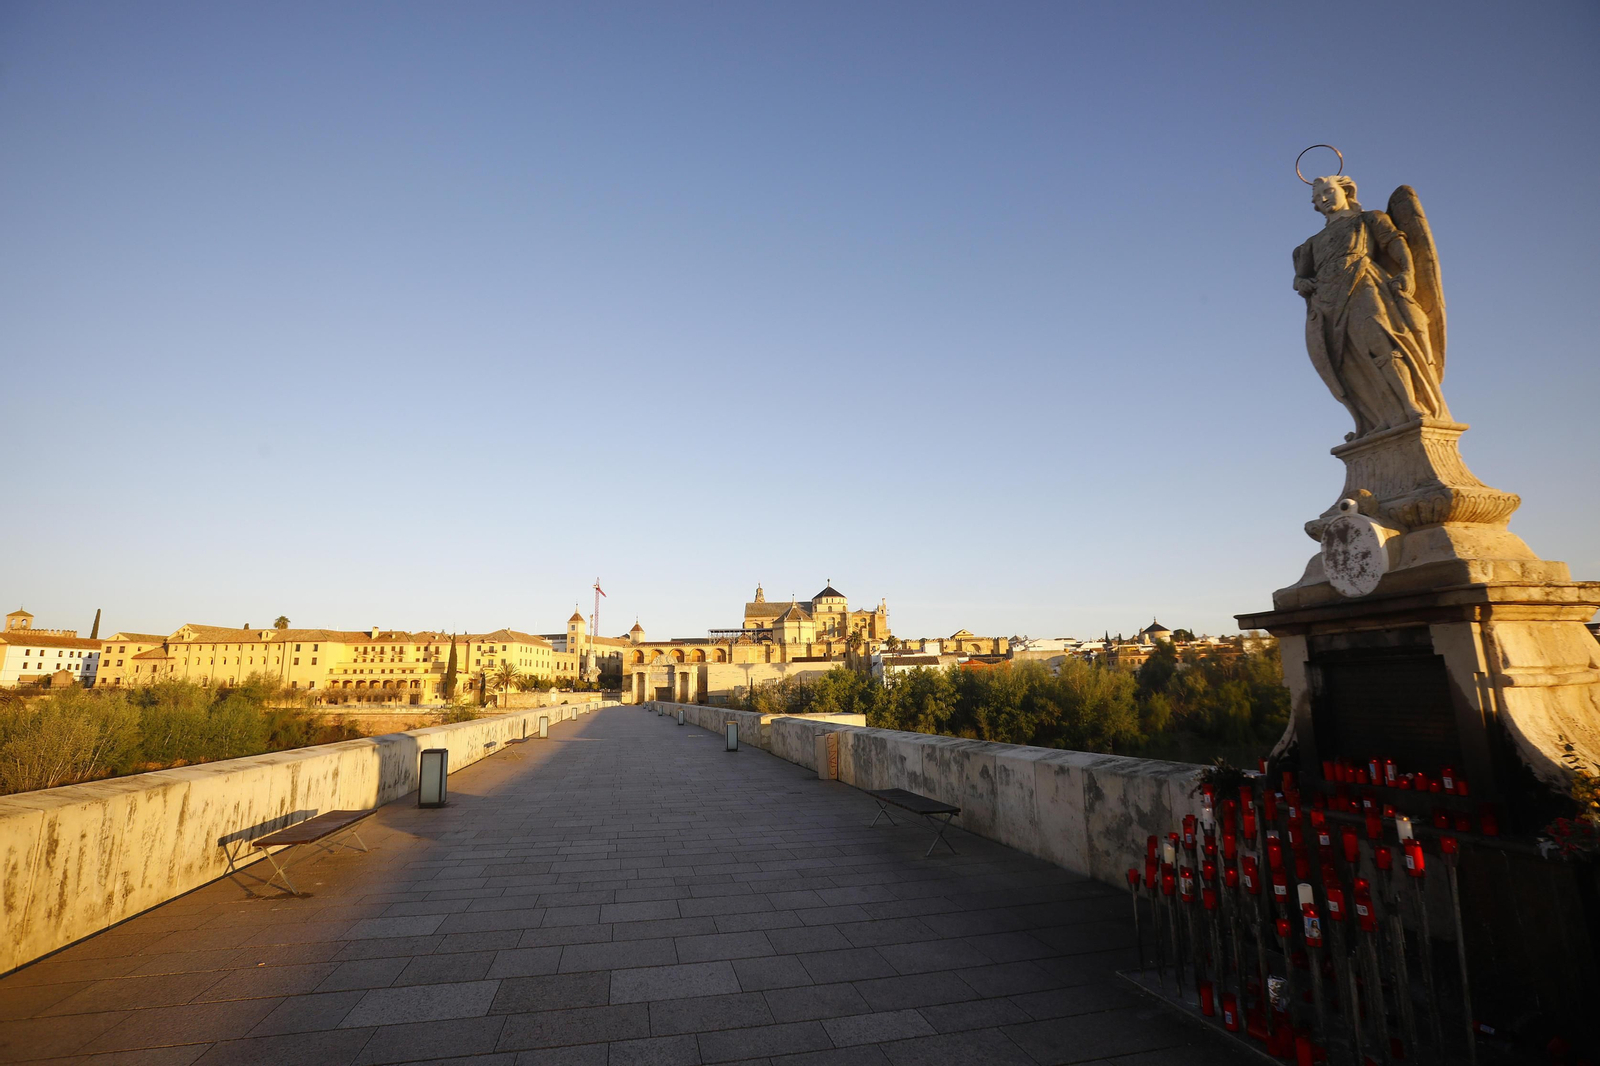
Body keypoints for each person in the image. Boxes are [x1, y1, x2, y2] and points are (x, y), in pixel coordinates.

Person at [1293, 175, 1449, 439]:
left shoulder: (1368, 220)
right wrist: (1303, 283)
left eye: (1328, 191)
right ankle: (1379, 417)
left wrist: (1409, 271)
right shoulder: (1310, 244)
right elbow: (1300, 277)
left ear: (1345, 191)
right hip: (1327, 301)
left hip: (1363, 283)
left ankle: (1410, 406)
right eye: (1318, 198)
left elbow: (1395, 242)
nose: (1323, 199)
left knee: (1380, 338)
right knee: (1349, 361)